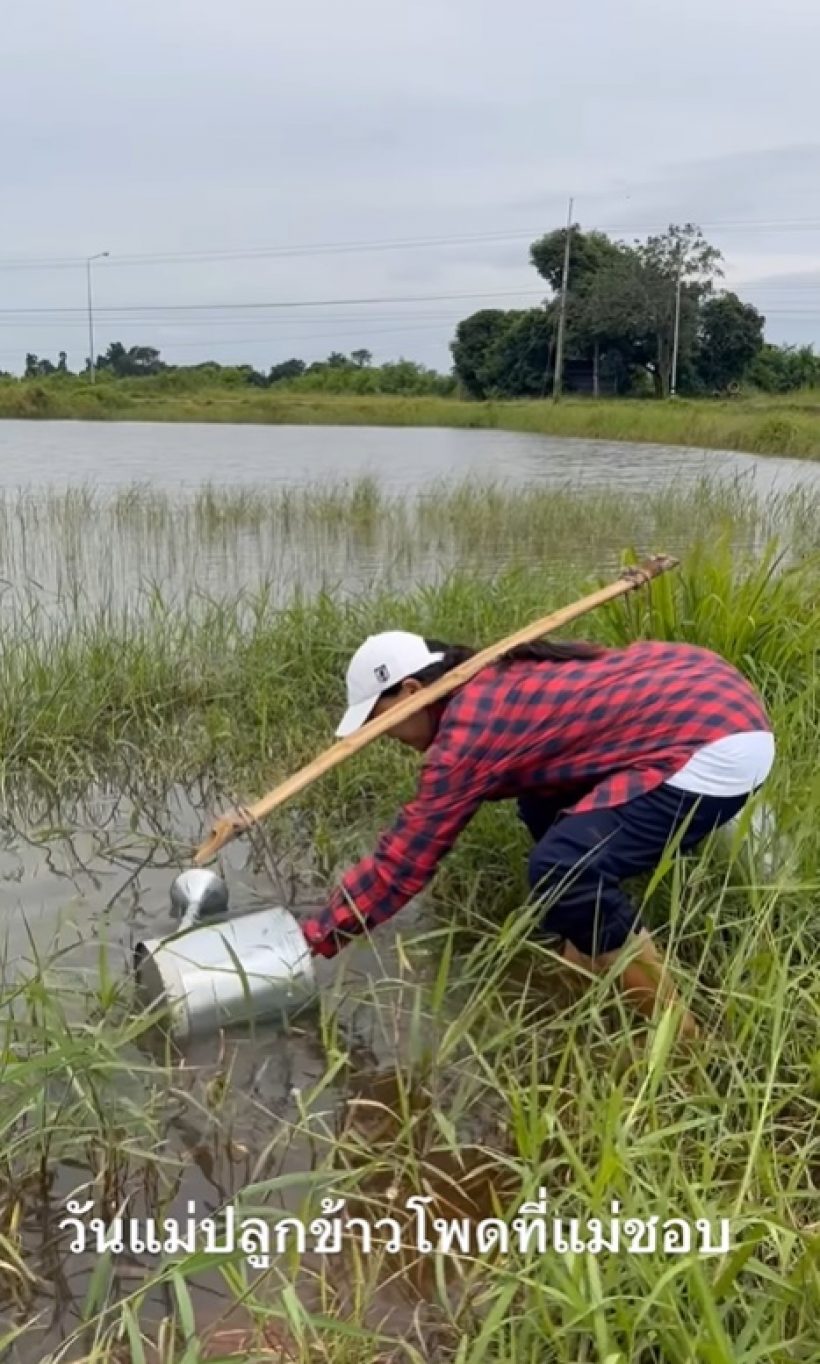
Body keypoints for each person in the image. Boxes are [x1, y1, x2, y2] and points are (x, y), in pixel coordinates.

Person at [300, 631, 775, 1038]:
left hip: (717, 745)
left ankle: (682, 1040)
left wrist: (313, 939)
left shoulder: (467, 736)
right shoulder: (492, 677)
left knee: (564, 869)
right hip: (710, 688)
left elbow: (404, 860)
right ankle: (586, 950)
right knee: (539, 801)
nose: (381, 736)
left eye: (377, 721)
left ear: (409, 691)